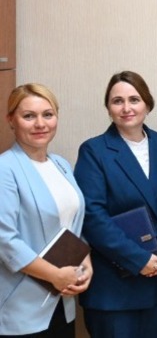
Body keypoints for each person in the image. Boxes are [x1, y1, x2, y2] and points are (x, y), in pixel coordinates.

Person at [74, 71, 157, 338]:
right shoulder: (94, 150)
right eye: (117, 101)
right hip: (113, 288)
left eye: (134, 99)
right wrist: (139, 259)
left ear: (147, 104)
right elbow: (93, 217)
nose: (126, 108)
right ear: (108, 108)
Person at [0, 83, 93, 337]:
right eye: (29, 116)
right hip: (22, 303)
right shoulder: (5, 169)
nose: (40, 124)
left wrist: (85, 263)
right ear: (11, 120)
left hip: (62, 298)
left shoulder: (61, 165)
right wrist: (54, 275)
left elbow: (72, 224)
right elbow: (5, 240)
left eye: (48, 114)